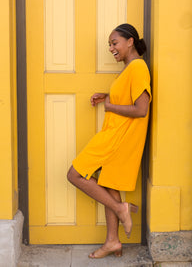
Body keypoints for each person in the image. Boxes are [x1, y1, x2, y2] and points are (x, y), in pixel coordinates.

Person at [67, 23, 152, 259]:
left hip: (117, 136)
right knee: (110, 185)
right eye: (109, 45)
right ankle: (113, 241)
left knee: (74, 174)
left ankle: (120, 209)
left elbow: (141, 109)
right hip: (116, 133)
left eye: (114, 43)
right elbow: (129, 95)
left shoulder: (137, 68)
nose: (111, 48)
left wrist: (110, 105)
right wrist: (108, 95)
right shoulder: (129, 68)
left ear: (130, 41)